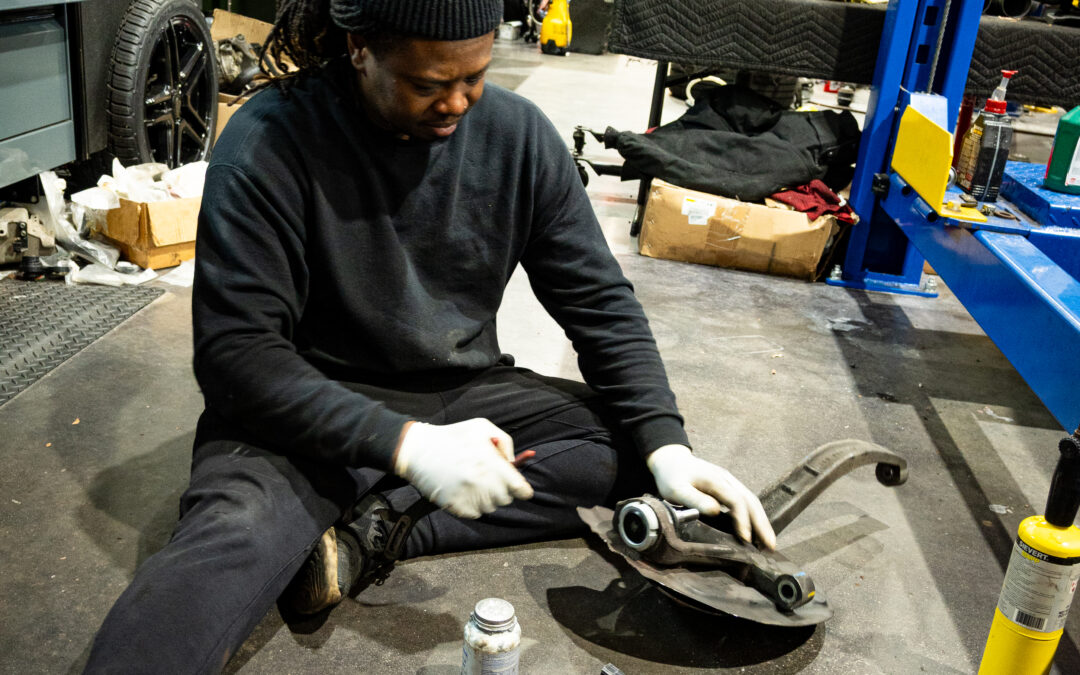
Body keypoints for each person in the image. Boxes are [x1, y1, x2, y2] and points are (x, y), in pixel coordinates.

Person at [83, 0, 775, 671]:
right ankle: (365, 498)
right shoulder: (267, 145)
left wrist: (668, 444)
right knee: (228, 542)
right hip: (309, 412)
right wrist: (405, 445)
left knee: (628, 455)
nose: (457, 103)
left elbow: (599, 303)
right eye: (427, 84)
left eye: (475, 77)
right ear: (358, 49)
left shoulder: (520, 137)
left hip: (461, 398)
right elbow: (240, 360)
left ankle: (375, 528)